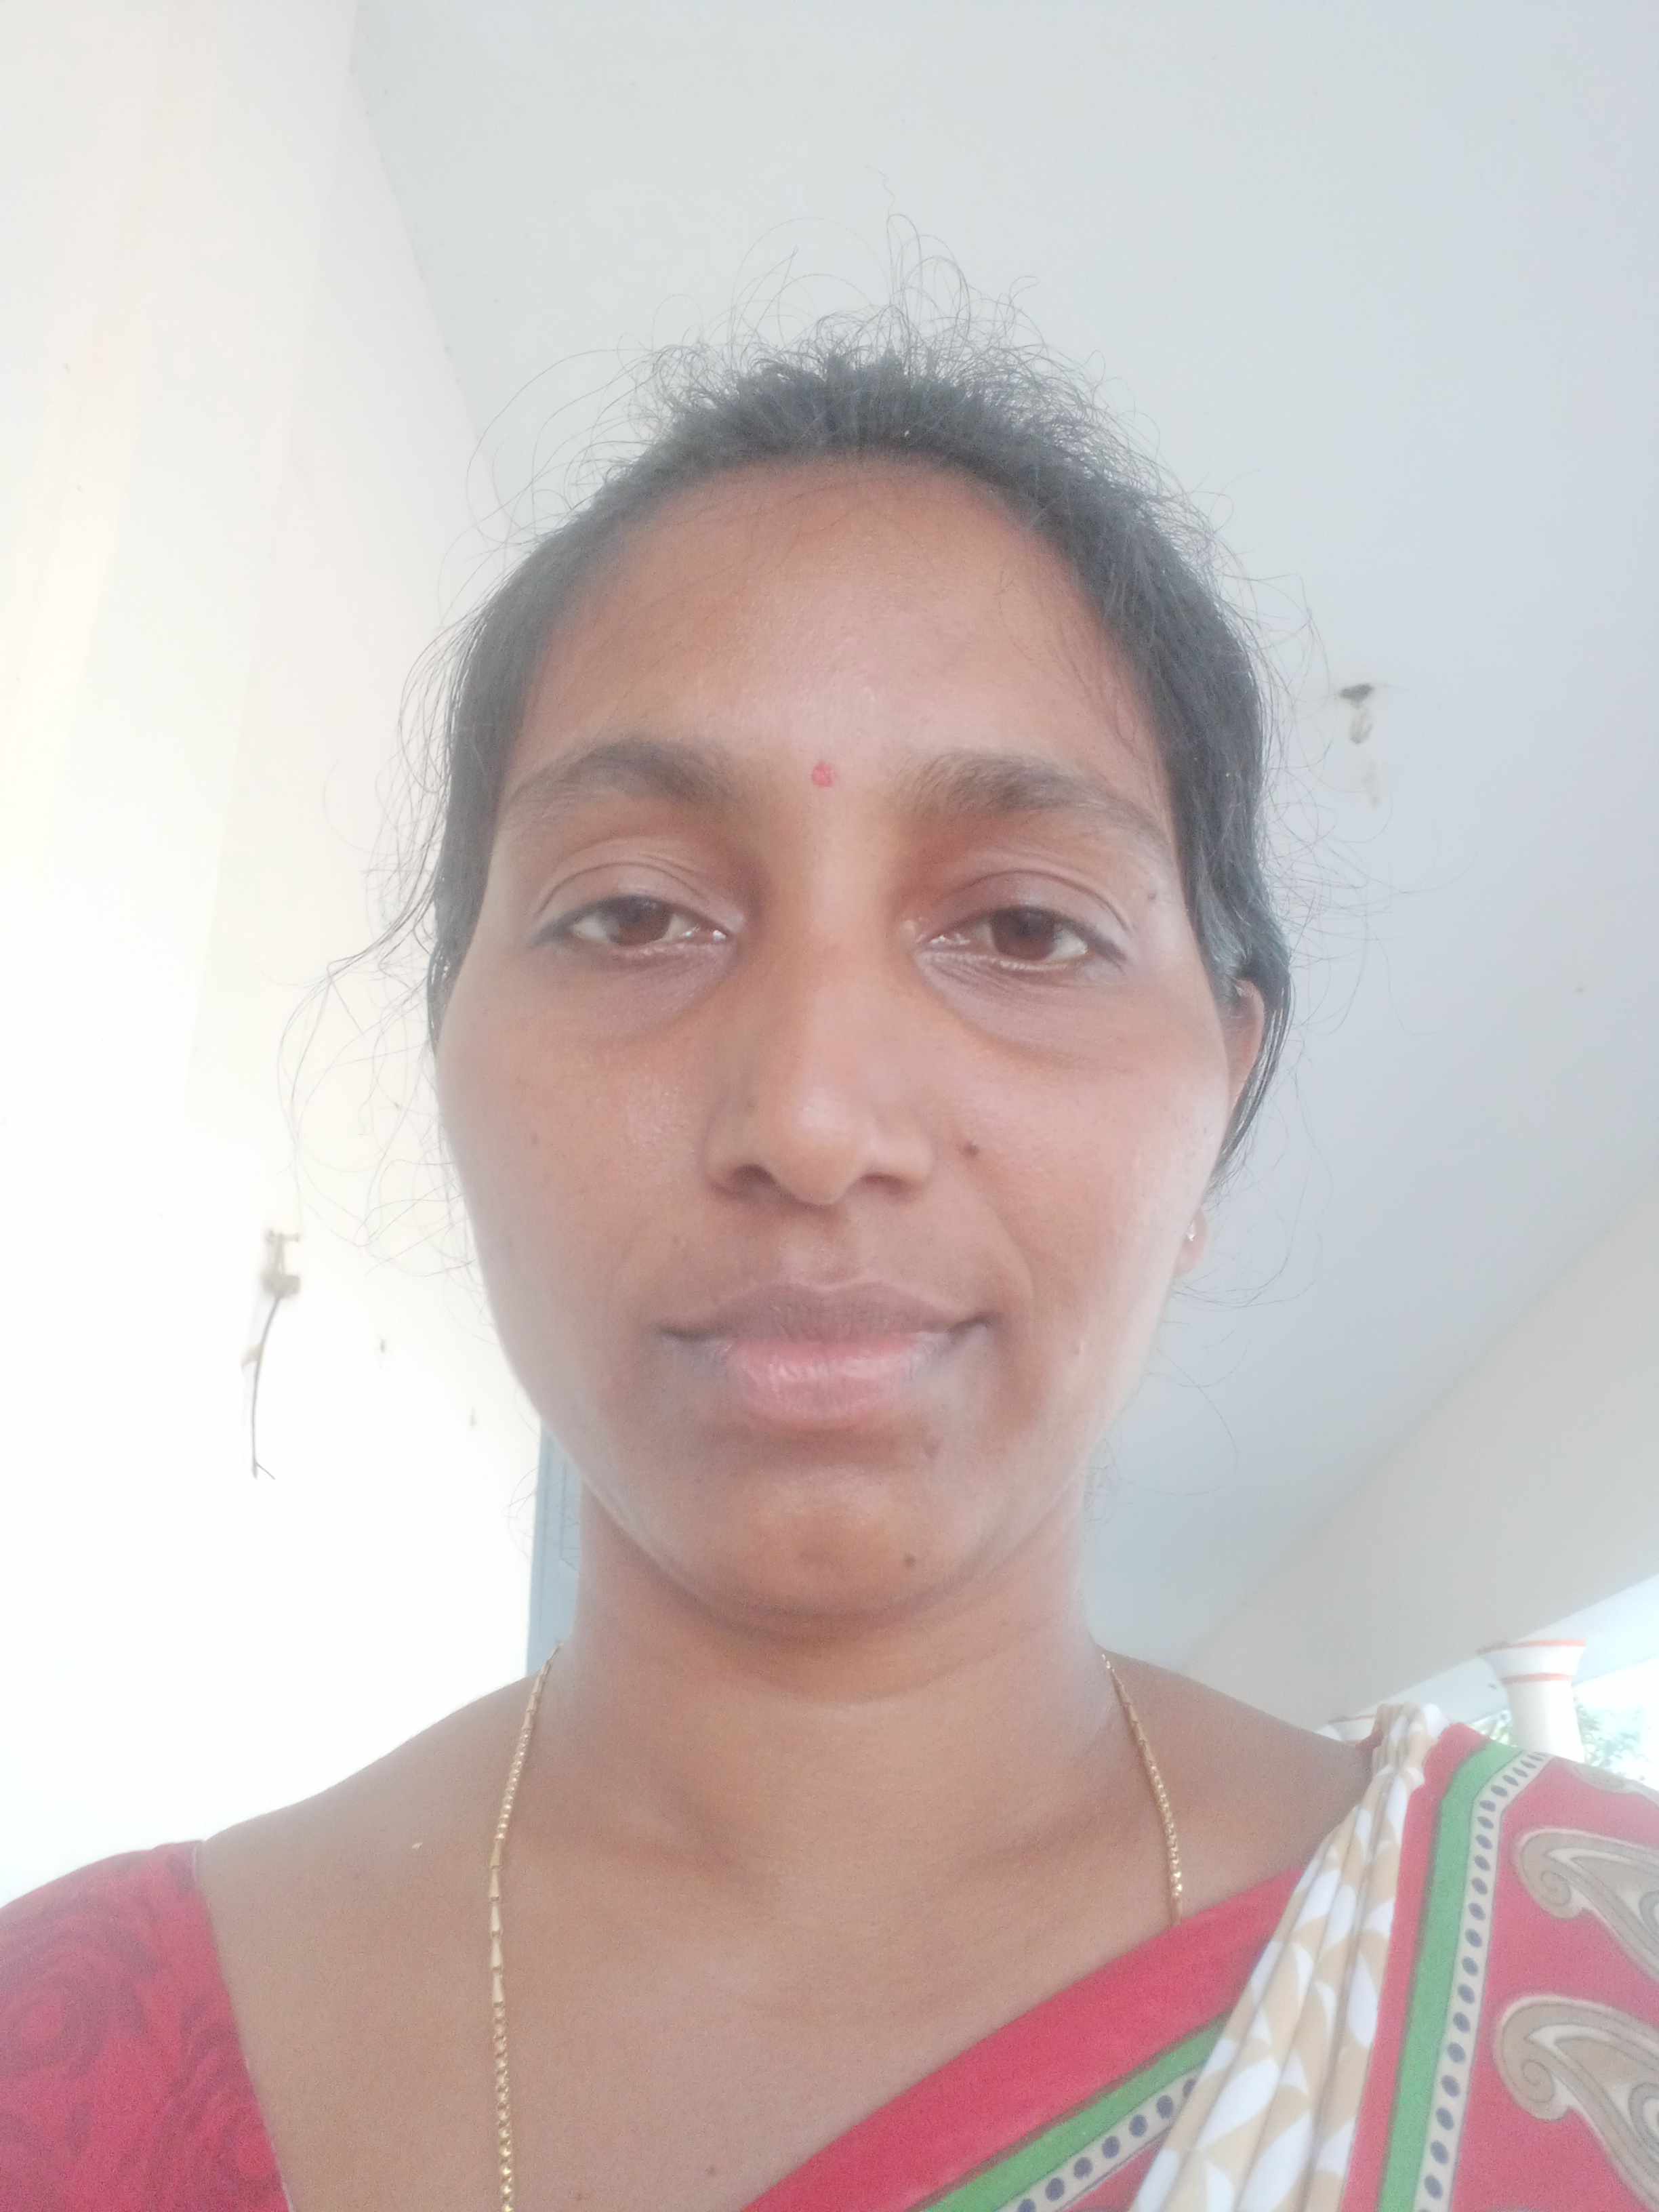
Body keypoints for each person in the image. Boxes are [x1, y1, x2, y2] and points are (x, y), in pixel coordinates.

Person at [5, 304, 1658, 2212]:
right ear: (448, 1049)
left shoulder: (1596, 1978)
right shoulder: (67, 2066)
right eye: (634, 913)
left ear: (1224, 1092)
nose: (807, 1116)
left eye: (1023, 931)